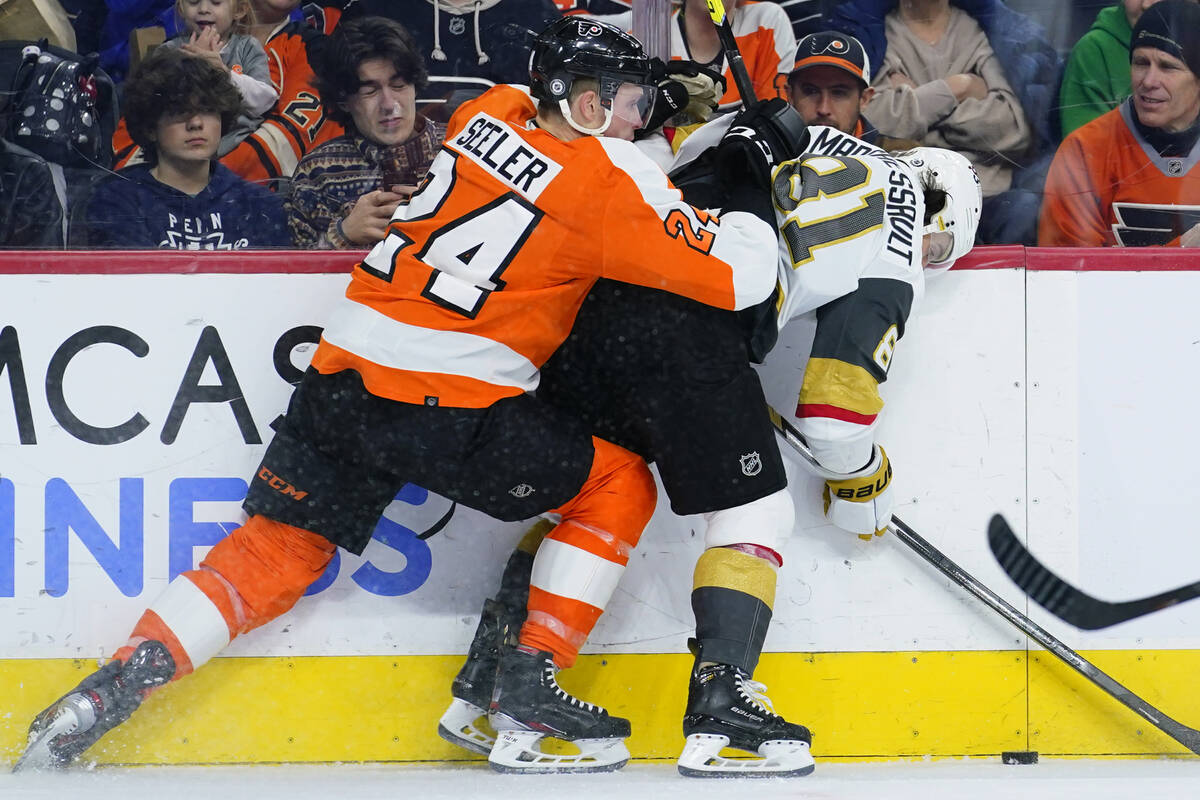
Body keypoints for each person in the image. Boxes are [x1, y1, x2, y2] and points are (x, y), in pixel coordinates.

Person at [15, 16, 781, 775]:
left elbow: (539, 108)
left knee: (275, 549)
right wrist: (748, 167)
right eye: (623, 99)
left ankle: (106, 692)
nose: (635, 115)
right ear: (584, 103)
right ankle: (528, 685)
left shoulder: (488, 112)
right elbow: (743, 276)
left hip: (343, 373)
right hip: (449, 403)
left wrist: (638, 108)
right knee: (615, 484)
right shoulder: (611, 186)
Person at [439, 109, 983, 777]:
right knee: (755, 513)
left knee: (592, 496)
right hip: (690, 324)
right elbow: (834, 419)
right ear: (944, 216)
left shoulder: (794, 127)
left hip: (592, 297)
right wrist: (863, 480)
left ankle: (501, 678)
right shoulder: (902, 231)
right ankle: (723, 703)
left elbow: (676, 155)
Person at [826, 0, 1060, 246]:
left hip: (987, 200)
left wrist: (923, 105)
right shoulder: (873, 35)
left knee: (1025, 210)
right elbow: (871, 121)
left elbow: (1014, 129)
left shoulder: (985, 33)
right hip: (903, 199)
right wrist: (959, 87)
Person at [112, 0, 347, 188]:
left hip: (257, 200)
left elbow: (288, 140)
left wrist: (206, 185)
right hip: (168, 195)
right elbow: (131, 144)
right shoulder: (175, 49)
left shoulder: (313, 49)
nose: (205, 8)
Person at [82, 47, 289, 248]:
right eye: (180, 111)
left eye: (208, 110)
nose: (196, 123)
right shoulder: (117, 199)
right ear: (152, 127)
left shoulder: (259, 204)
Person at [1039, 0, 1200, 248]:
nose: (1149, 81)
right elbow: (1070, 275)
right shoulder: (1085, 150)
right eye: (1141, 63)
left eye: (1168, 67)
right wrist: (1185, 248)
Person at [287, 17, 446, 249]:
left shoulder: (462, 153)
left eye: (399, 85)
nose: (389, 104)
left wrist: (447, 220)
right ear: (343, 100)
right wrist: (343, 235)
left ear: (415, 86)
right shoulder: (317, 172)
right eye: (369, 91)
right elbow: (288, 276)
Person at [1058, 1, 1200, 137]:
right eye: (1141, 63)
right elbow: (1084, 149)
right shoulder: (1094, 49)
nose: (1146, 4)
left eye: (1168, 67)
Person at [157, 0, 279, 156]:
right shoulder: (169, 51)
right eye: (194, 2)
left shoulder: (247, 47)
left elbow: (266, 101)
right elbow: (155, 105)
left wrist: (224, 73)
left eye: (216, 2)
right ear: (181, 8)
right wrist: (194, 66)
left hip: (239, 148)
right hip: (183, 150)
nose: (203, 9)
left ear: (239, 10)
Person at [784, 29, 918, 151]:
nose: (823, 109)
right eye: (811, 91)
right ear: (790, 95)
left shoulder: (903, 158)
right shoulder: (768, 157)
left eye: (838, 93)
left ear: (864, 99)